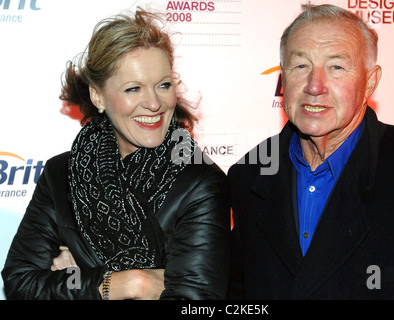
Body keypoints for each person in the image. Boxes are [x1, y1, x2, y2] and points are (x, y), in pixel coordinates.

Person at [2, 8, 230, 300]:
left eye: (164, 85)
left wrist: (77, 277)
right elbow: (20, 283)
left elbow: (194, 301)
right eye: (133, 89)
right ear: (98, 96)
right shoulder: (60, 175)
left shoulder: (201, 183)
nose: (153, 103)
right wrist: (132, 283)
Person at [228, 4, 394, 299]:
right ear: (283, 78)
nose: (315, 86)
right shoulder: (248, 175)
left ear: (370, 82)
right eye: (301, 66)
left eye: (336, 67)